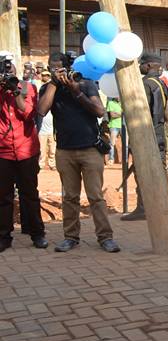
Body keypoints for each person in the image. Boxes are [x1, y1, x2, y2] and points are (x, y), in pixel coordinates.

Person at [37, 53, 119, 253]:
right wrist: (55, 85)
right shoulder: (48, 88)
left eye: (59, 68)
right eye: (52, 68)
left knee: (96, 197)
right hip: (65, 150)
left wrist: (76, 91)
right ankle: (71, 237)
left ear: (68, 67)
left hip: (90, 149)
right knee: (70, 197)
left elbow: (99, 111)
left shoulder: (85, 83)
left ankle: (105, 238)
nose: (56, 71)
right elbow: (41, 110)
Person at [0, 59, 46, 251]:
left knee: (30, 194)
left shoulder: (28, 87)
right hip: (3, 152)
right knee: (3, 196)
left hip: (26, 149)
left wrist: (16, 91)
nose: (7, 70)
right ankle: (4, 236)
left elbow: (27, 113)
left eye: (9, 66)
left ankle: (37, 233)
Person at [121, 53, 168, 221]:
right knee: (160, 171)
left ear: (148, 66)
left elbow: (141, 113)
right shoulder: (162, 84)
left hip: (148, 135)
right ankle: (162, 207)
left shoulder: (146, 84)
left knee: (142, 173)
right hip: (160, 133)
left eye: (142, 64)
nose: (140, 66)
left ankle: (143, 208)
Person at [38, 70, 56, 170]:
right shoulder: (42, 90)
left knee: (52, 149)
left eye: (47, 75)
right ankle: (41, 164)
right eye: (43, 75)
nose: (45, 77)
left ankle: (52, 164)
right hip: (42, 129)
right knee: (42, 149)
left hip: (51, 129)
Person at [106, 97, 122, 164]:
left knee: (126, 144)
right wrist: (122, 114)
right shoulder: (110, 103)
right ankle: (111, 159)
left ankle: (125, 160)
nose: (118, 97)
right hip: (114, 125)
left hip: (123, 125)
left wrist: (117, 114)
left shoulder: (122, 103)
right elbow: (112, 115)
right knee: (112, 143)